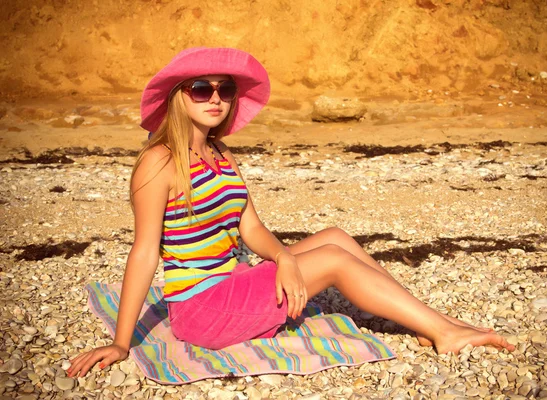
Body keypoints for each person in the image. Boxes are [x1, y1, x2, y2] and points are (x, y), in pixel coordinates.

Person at [67, 47, 514, 378]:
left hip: (233, 279)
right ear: (178, 97)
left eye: (225, 89)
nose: (215, 97)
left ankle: (427, 321)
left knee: (335, 236)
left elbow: (252, 226)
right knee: (335, 262)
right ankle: (445, 333)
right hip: (202, 308)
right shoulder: (160, 161)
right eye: (201, 88)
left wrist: (282, 257)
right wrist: (122, 343)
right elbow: (145, 252)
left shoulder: (221, 153)